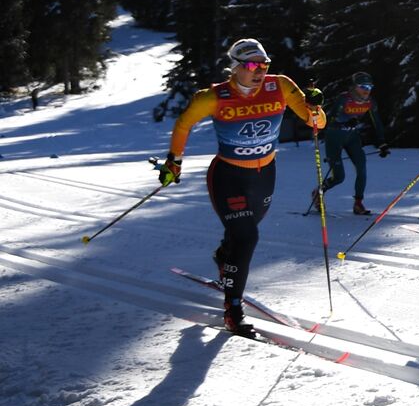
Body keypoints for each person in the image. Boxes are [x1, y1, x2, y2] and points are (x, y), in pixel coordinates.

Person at [158, 38, 326, 336]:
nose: (259, 70)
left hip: (264, 174)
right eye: (251, 65)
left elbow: (318, 123)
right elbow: (184, 124)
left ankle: (224, 256)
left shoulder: (281, 86)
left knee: (241, 235)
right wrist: (174, 161)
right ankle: (233, 310)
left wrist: (314, 106)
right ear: (235, 67)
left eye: (264, 64)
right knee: (246, 236)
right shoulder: (213, 97)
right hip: (228, 176)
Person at [311, 71, 389, 216]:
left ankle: (358, 204)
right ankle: (318, 192)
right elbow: (331, 119)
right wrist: (344, 122)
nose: (367, 90)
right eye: (363, 86)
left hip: (352, 137)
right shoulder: (344, 99)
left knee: (362, 168)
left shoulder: (370, 102)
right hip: (334, 137)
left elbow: (377, 122)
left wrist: (382, 143)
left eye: (370, 86)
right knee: (339, 177)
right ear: (354, 87)